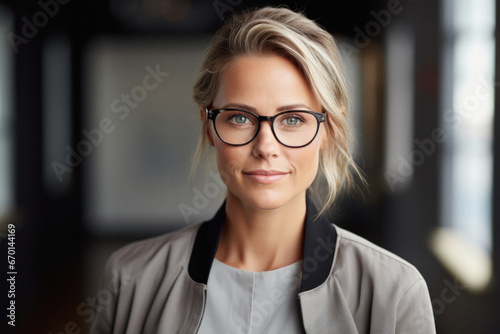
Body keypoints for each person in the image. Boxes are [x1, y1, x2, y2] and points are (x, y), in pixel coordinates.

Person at [90, 6, 436, 334]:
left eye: (293, 119)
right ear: (209, 126)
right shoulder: (131, 278)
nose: (266, 146)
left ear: (329, 129)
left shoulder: (393, 292)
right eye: (240, 118)